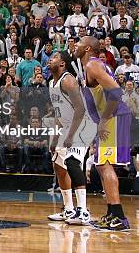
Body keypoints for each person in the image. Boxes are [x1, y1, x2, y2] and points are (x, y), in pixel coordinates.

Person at [74, 36, 133, 231]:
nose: (76, 45)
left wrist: (105, 120)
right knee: (100, 166)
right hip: (110, 118)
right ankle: (111, 213)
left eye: (79, 43)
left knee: (105, 165)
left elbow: (116, 92)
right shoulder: (89, 67)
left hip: (114, 117)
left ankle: (119, 217)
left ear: (88, 48)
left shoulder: (92, 65)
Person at [47, 51, 96, 225]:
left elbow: (80, 109)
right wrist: (55, 138)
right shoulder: (51, 82)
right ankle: (69, 209)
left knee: (73, 162)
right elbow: (59, 112)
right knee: (58, 165)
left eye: (55, 57)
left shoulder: (68, 80)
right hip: (67, 126)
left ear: (62, 64)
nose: (50, 59)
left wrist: (70, 136)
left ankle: (82, 211)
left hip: (82, 124)